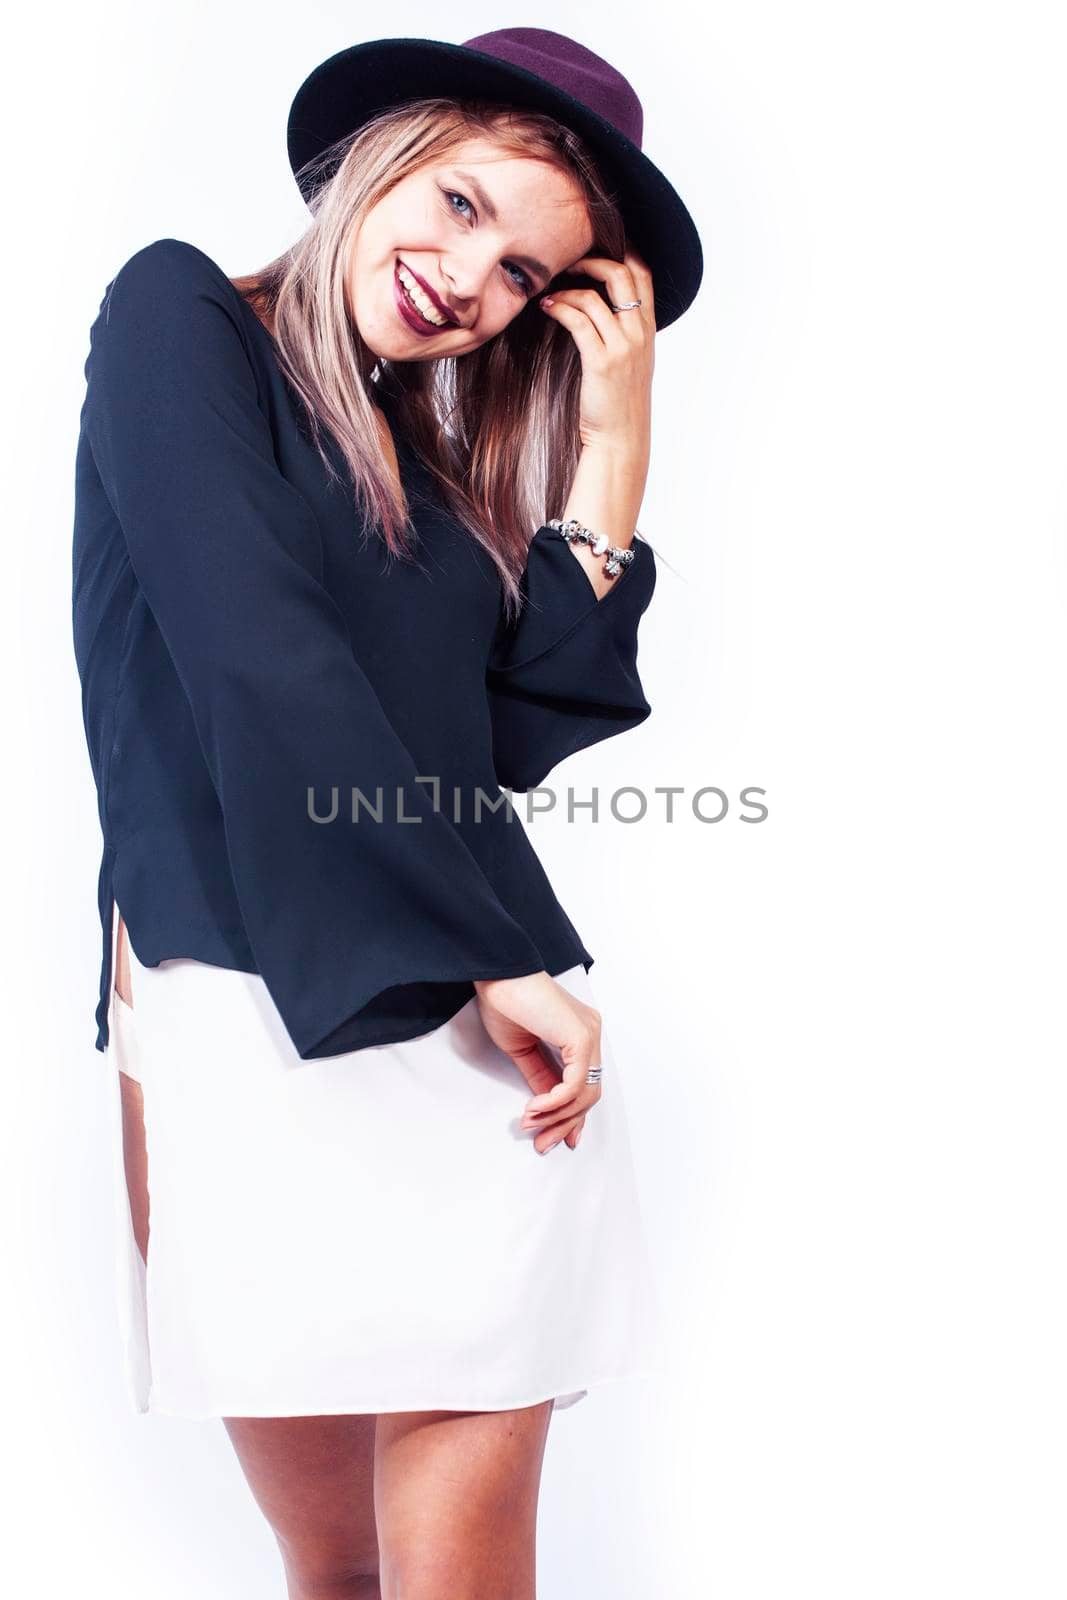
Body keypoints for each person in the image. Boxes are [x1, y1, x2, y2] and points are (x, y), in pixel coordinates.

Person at [72, 26, 702, 1599]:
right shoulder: (180, 320)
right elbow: (256, 661)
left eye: (520, 278)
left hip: (477, 1049)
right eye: (466, 205)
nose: (466, 278)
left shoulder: (431, 475)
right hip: (248, 1006)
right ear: (392, 153)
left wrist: (611, 452)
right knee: (334, 1576)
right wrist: (494, 948)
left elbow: (507, 739)